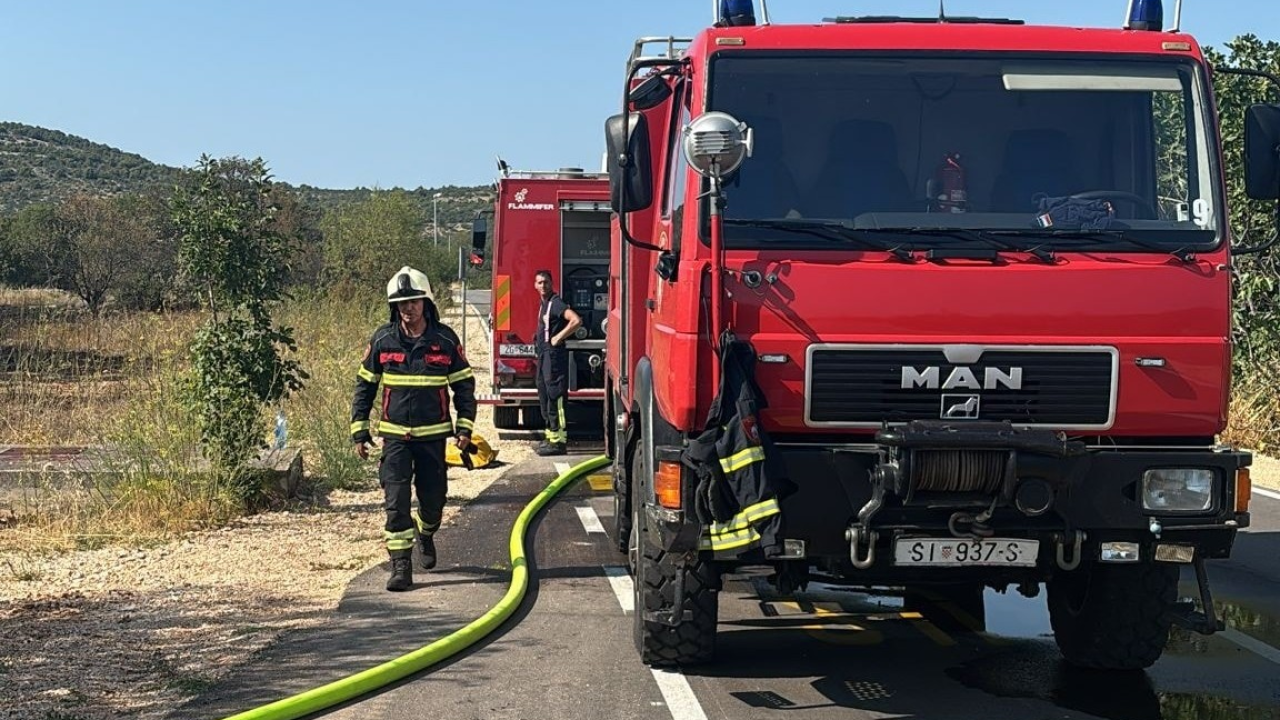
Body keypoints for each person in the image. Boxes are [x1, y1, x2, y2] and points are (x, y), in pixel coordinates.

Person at [351, 266, 477, 592]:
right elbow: (364, 386)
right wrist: (360, 431)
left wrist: (464, 428)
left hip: (432, 438)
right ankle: (401, 566)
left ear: (426, 302)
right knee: (395, 501)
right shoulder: (382, 340)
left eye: (414, 301)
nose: (408, 308)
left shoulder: (445, 340)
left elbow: (464, 386)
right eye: (402, 303)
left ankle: (426, 531)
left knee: (433, 500)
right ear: (395, 307)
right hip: (395, 438)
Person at [533, 269, 582, 456]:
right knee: (544, 394)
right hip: (544, 355)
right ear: (535, 285)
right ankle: (551, 437)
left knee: (555, 396)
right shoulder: (543, 304)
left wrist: (557, 338)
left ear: (551, 283)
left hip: (553, 356)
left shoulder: (556, 303)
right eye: (539, 282)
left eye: (545, 282)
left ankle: (559, 442)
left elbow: (576, 320)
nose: (543, 285)